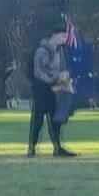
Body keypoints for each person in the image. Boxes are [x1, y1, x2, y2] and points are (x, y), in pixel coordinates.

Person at [28, 26, 76, 158]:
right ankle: (31, 148)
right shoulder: (42, 51)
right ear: (54, 35)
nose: (63, 39)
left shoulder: (60, 51)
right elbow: (38, 72)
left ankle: (57, 148)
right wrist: (51, 78)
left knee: (55, 119)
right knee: (38, 120)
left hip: (55, 90)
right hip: (42, 89)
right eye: (62, 36)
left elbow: (64, 67)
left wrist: (64, 76)